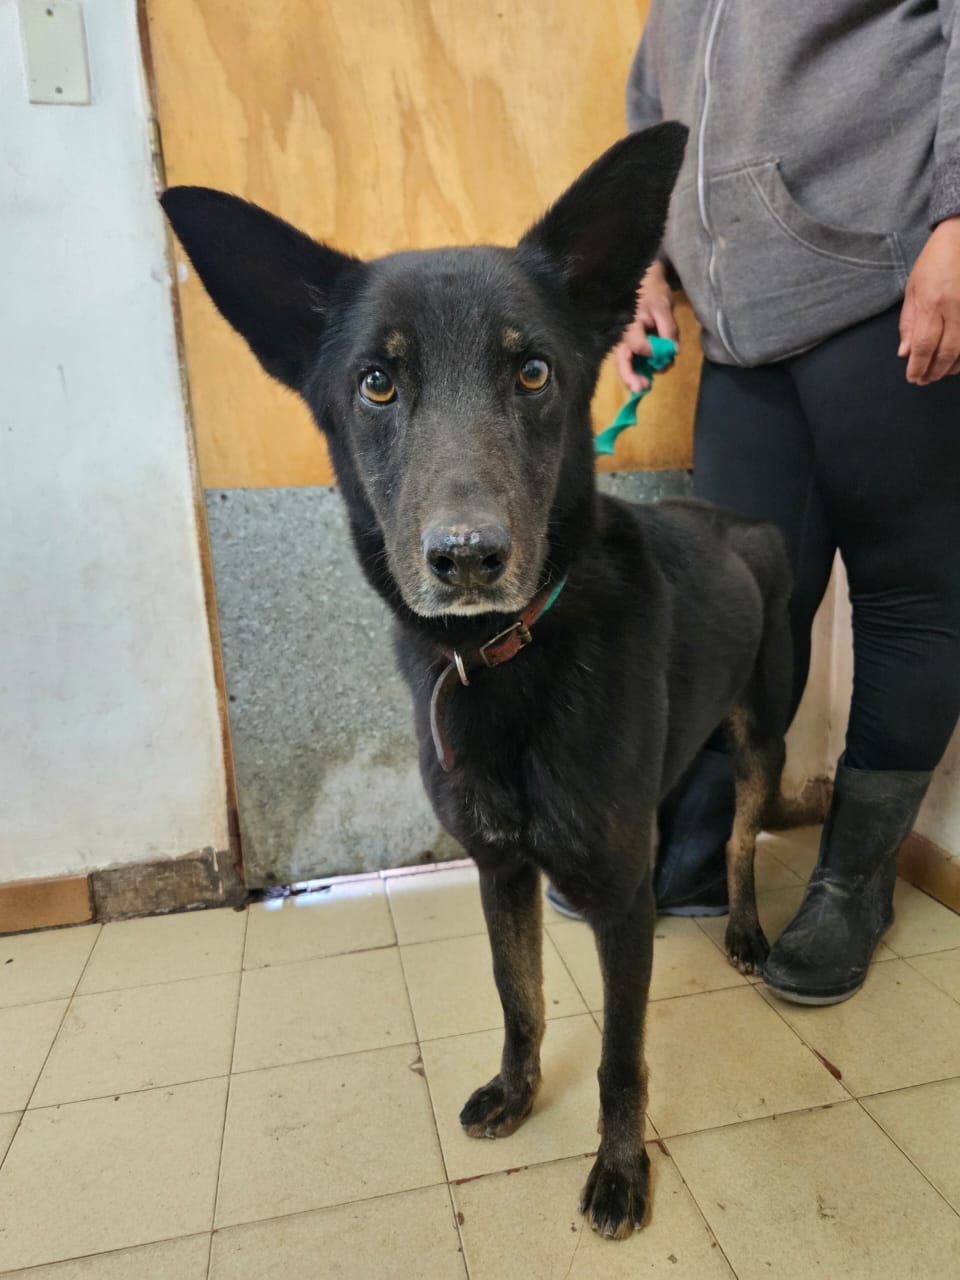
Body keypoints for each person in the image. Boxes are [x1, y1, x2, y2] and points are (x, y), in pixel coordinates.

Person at [548, 2, 960, 1006]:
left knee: (909, 592)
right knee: (728, 603)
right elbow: (658, 91)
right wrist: (647, 256)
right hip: (739, 322)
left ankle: (854, 884)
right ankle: (689, 854)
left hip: (883, 276)